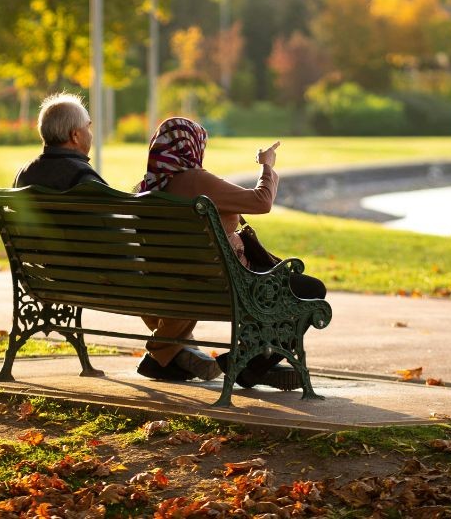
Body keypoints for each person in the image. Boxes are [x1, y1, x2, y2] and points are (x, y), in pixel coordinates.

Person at [135, 117, 326, 390]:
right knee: (310, 289)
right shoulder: (195, 181)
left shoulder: (147, 190)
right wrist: (267, 166)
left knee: (291, 286)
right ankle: (252, 364)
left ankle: (255, 360)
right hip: (227, 287)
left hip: (173, 288)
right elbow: (261, 201)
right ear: (191, 147)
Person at [13, 92, 106, 189]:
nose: (91, 135)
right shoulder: (84, 178)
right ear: (75, 135)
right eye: (88, 127)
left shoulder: (23, 175)